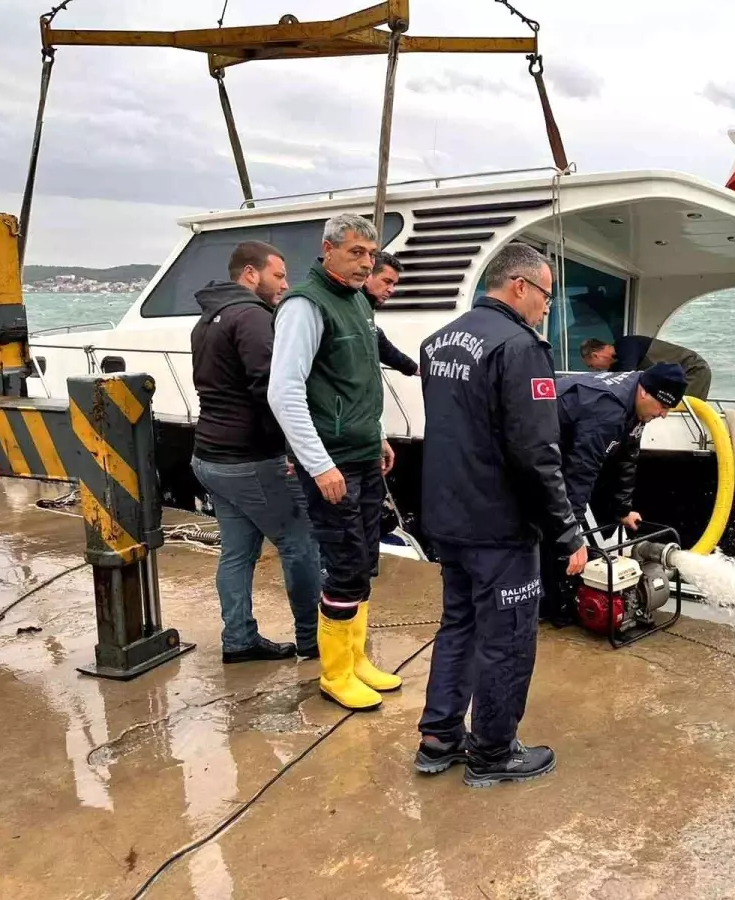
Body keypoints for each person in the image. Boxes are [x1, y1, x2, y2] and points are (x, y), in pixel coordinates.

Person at [415, 242, 587, 787]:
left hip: (447, 516)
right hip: (500, 526)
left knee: (459, 624)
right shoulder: (520, 348)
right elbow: (538, 452)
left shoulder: (437, 343)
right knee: (507, 637)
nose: (547, 309)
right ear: (520, 287)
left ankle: (439, 736)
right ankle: (493, 751)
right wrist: (567, 530)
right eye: (547, 297)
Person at [267, 213, 399, 711]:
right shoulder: (305, 306)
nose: (366, 262)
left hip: (364, 455)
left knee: (364, 562)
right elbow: (284, 391)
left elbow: (357, 382)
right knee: (343, 567)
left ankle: (358, 658)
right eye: (356, 252)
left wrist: (379, 436)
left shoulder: (358, 304)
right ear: (328, 251)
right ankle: (334, 673)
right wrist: (320, 465)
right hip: (334, 464)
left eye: (370, 253)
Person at [189, 241, 323, 664]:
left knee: (237, 553)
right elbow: (271, 390)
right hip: (249, 459)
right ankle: (312, 639)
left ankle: (239, 639)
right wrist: (290, 449)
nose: (285, 285)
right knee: (299, 541)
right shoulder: (252, 318)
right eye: (279, 276)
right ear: (251, 274)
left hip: (209, 456)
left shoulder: (207, 319)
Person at [540, 364, 688, 622]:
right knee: (546, 525)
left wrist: (622, 509)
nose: (664, 415)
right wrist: (571, 538)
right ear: (644, 393)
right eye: (662, 407)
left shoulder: (640, 403)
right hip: (530, 443)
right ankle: (545, 602)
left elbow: (627, 456)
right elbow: (579, 473)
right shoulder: (608, 409)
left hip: (565, 445)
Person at [580, 335, 712, 400]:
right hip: (677, 377)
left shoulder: (626, 345)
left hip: (693, 369)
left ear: (595, 355)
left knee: (681, 407)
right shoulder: (616, 364)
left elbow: (626, 378)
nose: (595, 369)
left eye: (591, 365)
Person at [364, 250, 418, 377]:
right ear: (368, 276)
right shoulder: (352, 307)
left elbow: (381, 345)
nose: (391, 290)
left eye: (394, 284)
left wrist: (414, 368)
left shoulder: (366, 308)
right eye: (387, 281)